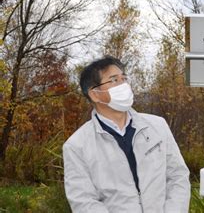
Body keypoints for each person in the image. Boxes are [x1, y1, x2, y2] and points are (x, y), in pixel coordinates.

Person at [63, 56, 190, 212]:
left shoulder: (157, 126)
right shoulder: (77, 145)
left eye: (124, 79)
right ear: (94, 94)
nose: (123, 85)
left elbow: (178, 176)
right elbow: (83, 200)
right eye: (114, 80)